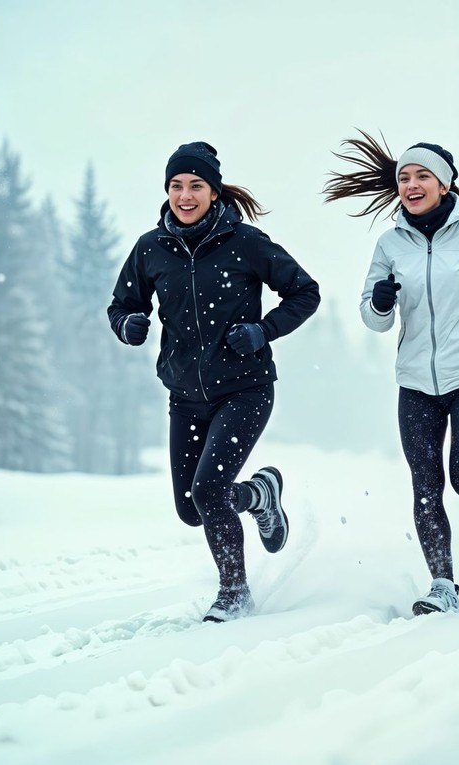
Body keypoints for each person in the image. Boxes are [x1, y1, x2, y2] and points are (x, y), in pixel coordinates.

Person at [324, 131, 459, 616]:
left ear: (444, 185)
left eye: (422, 175)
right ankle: (443, 585)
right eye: (404, 177)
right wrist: (379, 303)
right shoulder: (390, 244)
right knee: (426, 484)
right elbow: (373, 317)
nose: (412, 184)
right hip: (416, 384)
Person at [109, 141, 320, 623]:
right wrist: (128, 325)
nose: (185, 195)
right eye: (177, 186)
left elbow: (305, 291)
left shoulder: (246, 243)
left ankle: (234, 593)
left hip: (245, 389)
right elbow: (122, 305)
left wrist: (263, 330)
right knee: (191, 507)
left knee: (208, 491)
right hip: (184, 396)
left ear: (213, 191)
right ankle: (259, 495)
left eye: (196, 186)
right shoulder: (150, 248)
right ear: (167, 191)